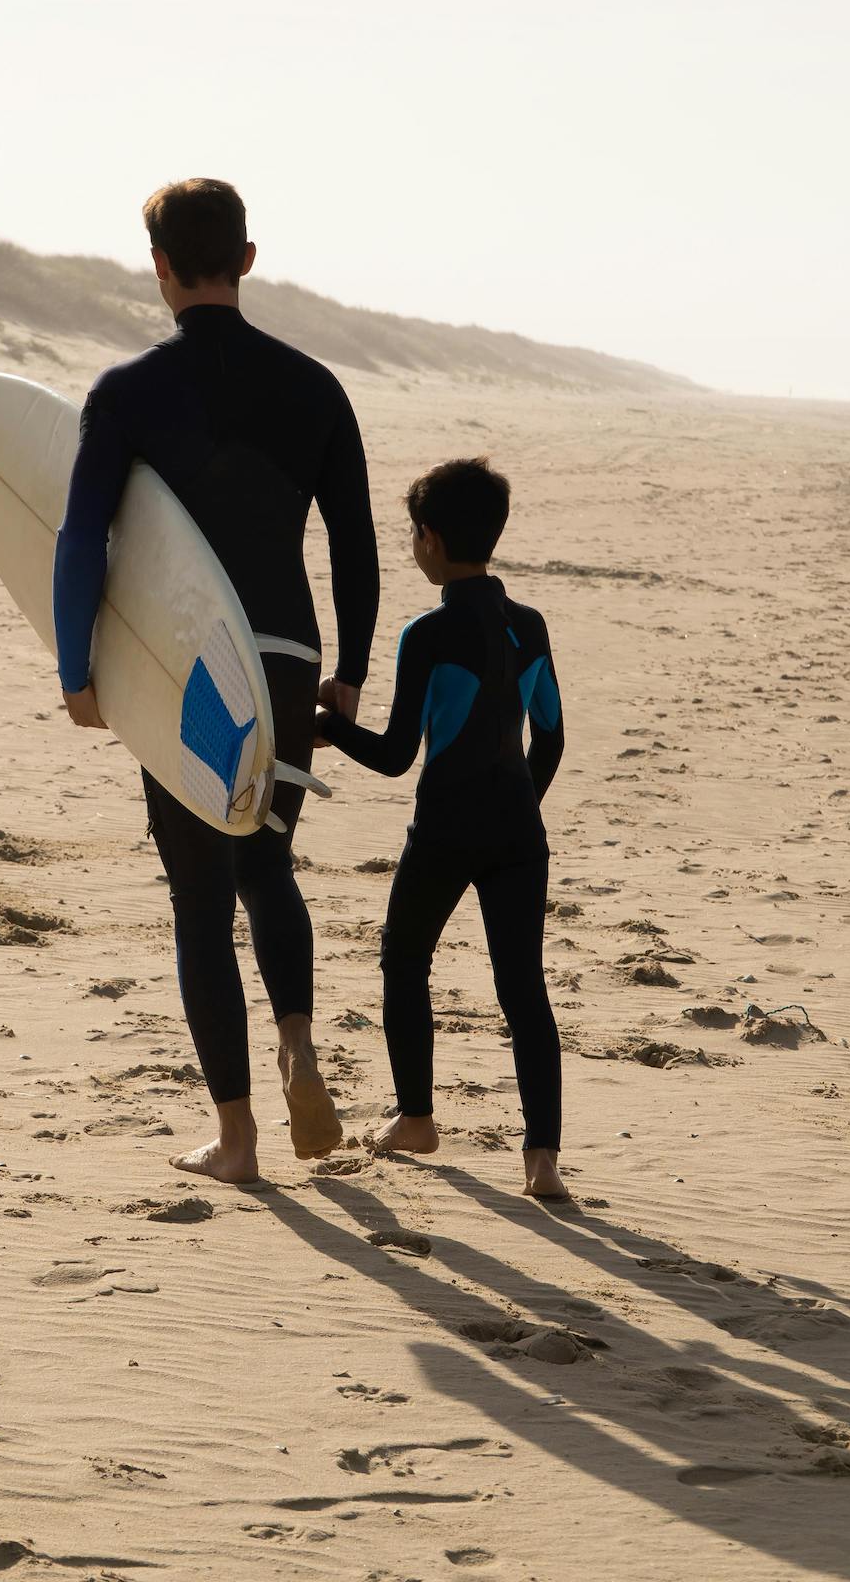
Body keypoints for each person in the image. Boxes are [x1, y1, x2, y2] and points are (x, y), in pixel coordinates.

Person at [53, 178, 380, 1184]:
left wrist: (77, 666)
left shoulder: (127, 393)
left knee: (198, 899)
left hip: (185, 661)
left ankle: (237, 1140)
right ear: (246, 258)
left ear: (157, 266)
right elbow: (356, 544)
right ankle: (294, 1037)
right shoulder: (315, 386)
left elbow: (82, 538)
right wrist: (351, 671)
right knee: (267, 867)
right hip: (283, 657)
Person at [314, 457, 568, 1199]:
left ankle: (415, 1119)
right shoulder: (529, 625)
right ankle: (542, 1161)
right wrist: (519, 803)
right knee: (524, 992)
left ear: (427, 538)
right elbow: (548, 737)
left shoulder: (425, 633)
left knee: (403, 962)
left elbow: (394, 757)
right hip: (518, 833)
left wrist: (325, 725)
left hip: (443, 832)